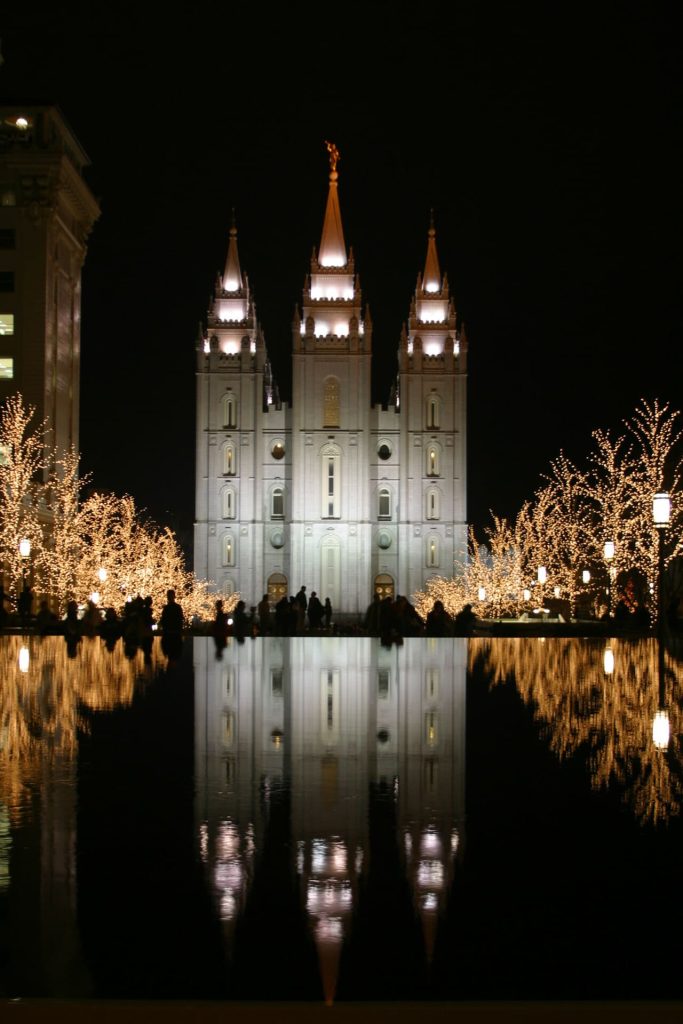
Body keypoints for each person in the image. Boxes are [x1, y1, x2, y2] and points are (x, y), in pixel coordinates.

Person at [159, 588, 185, 660]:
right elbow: (180, 619)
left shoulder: (167, 608)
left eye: (169, 596)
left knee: (171, 652)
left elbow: (163, 620)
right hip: (174, 634)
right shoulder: (176, 607)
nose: (169, 598)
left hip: (170, 634)